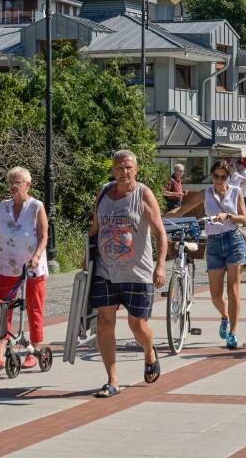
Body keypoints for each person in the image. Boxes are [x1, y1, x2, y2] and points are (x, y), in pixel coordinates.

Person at [87, 149, 168, 398]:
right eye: (120, 167)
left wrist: (161, 265)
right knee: (104, 323)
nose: (124, 172)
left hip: (137, 272)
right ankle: (112, 380)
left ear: (137, 169)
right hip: (105, 270)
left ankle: (149, 352)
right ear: (113, 169)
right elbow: (94, 228)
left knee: (137, 324)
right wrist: (85, 263)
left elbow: (160, 233)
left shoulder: (143, 194)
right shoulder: (103, 193)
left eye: (129, 167)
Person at [167, 159, 246, 349]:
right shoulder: (206, 194)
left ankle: (233, 334)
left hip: (234, 240)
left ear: (228, 177)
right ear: (211, 176)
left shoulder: (236, 192)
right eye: (215, 177)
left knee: (233, 290)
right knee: (215, 295)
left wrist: (228, 216)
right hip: (213, 243)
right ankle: (225, 316)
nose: (219, 180)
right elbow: (182, 209)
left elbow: (244, 219)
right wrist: (160, 217)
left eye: (223, 177)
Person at [0, 167, 48, 369]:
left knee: (34, 308)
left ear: (28, 185)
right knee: (2, 310)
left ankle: (33, 351)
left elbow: (43, 236)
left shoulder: (36, 207)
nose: (13, 186)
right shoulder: (3, 207)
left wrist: (37, 256)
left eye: (18, 182)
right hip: (7, 266)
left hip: (32, 268)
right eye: (11, 182)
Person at [229, 158, 246, 223]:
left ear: (240, 165)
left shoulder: (245, 172)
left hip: (245, 193)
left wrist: (239, 187)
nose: (236, 167)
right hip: (241, 193)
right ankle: (242, 220)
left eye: (237, 166)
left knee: (244, 207)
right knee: (241, 207)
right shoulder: (240, 172)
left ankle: (245, 221)